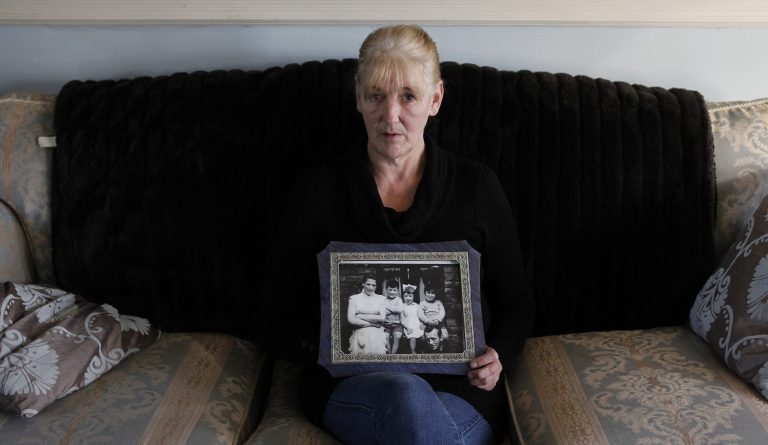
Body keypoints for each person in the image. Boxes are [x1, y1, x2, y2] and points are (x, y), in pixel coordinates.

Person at [260, 24, 534, 445]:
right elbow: (275, 313)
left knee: (419, 412)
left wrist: (497, 354)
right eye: (376, 96)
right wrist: (331, 343)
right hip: (353, 387)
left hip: (460, 393)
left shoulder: (476, 187)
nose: (391, 116)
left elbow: (516, 302)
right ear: (357, 96)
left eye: (408, 96)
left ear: (435, 99)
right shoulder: (318, 191)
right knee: (404, 393)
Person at [347, 276, 388, 354]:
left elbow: (382, 318)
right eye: (368, 284)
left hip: (377, 333)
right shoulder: (354, 299)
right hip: (360, 332)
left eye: (373, 285)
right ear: (363, 284)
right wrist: (372, 323)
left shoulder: (381, 299)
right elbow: (351, 319)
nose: (371, 287)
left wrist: (359, 316)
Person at [382, 279, 405, 353]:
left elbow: (399, 310)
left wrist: (387, 307)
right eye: (390, 290)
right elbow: (382, 312)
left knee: (397, 336)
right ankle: (389, 354)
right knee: (385, 337)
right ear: (386, 290)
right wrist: (393, 310)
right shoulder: (383, 299)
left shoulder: (399, 299)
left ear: (398, 291)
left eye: (394, 290)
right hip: (386, 325)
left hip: (397, 325)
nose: (392, 292)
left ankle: (393, 354)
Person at [400, 283, 423, 353]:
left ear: (413, 297)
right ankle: (413, 352)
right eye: (406, 296)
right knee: (412, 336)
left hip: (417, 323)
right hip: (409, 325)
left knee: (422, 336)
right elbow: (402, 319)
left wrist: (422, 323)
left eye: (410, 296)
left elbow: (420, 315)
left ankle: (423, 351)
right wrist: (407, 327)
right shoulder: (402, 306)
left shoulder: (416, 305)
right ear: (403, 297)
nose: (408, 298)